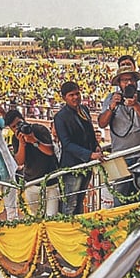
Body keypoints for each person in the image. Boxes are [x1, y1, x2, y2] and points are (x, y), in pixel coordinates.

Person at [98, 57, 140, 199]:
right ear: (119, 83)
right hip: (120, 157)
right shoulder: (111, 98)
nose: (129, 83)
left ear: (136, 81)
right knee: (120, 198)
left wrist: (136, 105)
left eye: (131, 79)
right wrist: (111, 108)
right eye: (124, 80)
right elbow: (102, 123)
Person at [53, 81, 102, 215]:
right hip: (72, 166)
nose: (75, 97)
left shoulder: (84, 110)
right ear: (64, 98)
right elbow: (67, 144)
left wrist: (96, 147)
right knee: (70, 203)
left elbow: (90, 132)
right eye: (71, 95)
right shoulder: (60, 117)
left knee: (80, 200)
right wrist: (89, 154)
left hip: (87, 164)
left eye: (77, 94)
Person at [5, 109, 59, 216]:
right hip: (32, 183)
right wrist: (22, 143)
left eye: (19, 124)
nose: (18, 128)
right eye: (14, 127)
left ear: (24, 119)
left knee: (51, 216)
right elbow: (20, 161)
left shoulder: (39, 129)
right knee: (36, 217)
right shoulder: (15, 139)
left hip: (51, 182)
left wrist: (34, 140)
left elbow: (50, 151)